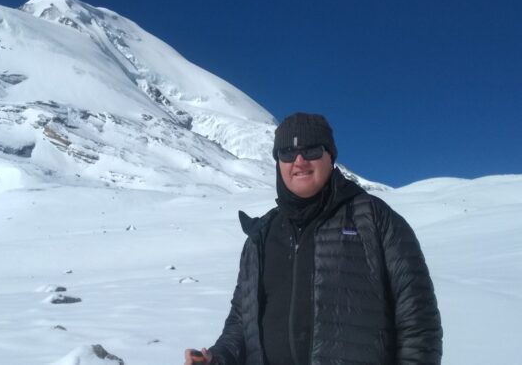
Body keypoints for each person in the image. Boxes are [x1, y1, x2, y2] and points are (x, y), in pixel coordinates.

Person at [185, 113, 442, 365]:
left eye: (311, 150)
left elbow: (419, 325)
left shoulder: (375, 221)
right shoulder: (260, 236)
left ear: (330, 157)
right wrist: (217, 358)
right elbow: (242, 322)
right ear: (277, 162)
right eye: (287, 152)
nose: (299, 161)